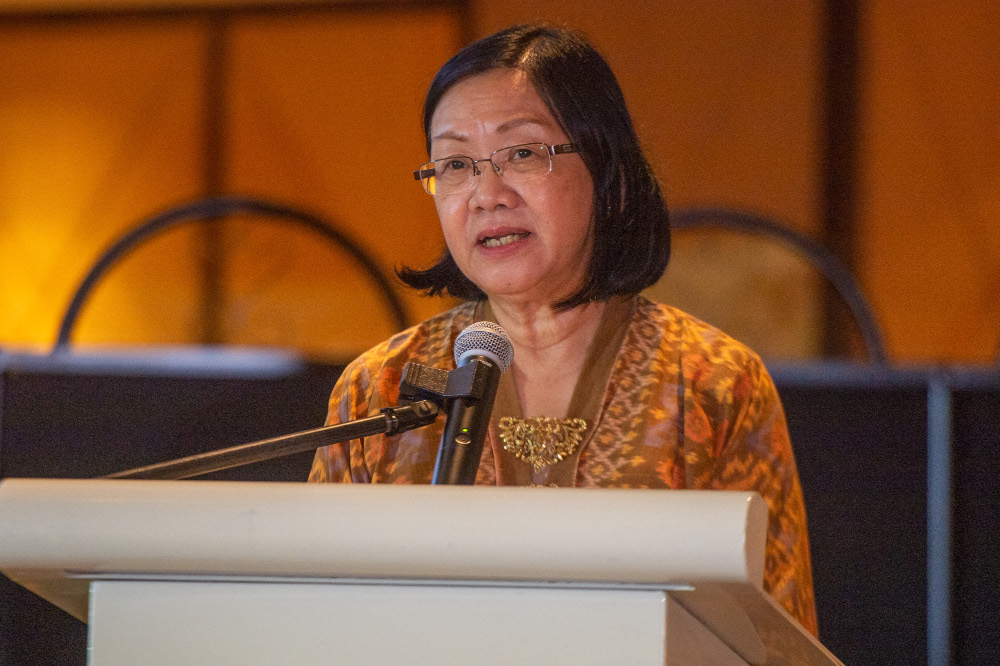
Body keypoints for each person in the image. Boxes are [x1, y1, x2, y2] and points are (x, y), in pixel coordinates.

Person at [309, 23, 818, 635]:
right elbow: (325, 628)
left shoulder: (713, 382)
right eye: (455, 164)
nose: (485, 194)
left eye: (523, 153)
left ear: (606, 171)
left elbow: (775, 639)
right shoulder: (380, 389)